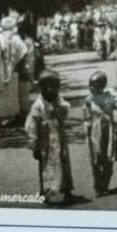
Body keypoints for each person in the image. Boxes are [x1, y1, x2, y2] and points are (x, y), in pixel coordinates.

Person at [25, 70, 74, 204]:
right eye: (46, 86)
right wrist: (34, 144)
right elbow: (32, 126)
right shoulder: (38, 105)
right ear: (40, 88)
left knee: (64, 162)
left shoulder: (59, 101)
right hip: (44, 141)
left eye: (54, 86)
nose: (50, 90)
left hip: (59, 138)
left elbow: (64, 115)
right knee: (44, 164)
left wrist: (59, 108)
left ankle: (67, 189)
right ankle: (44, 190)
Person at [83, 71, 117, 197]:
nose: (91, 87)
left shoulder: (110, 97)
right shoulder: (88, 100)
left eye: (95, 85)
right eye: (90, 84)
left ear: (102, 85)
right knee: (95, 159)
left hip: (107, 131)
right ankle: (97, 184)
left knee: (108, 157)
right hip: (94, 132)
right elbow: (86, 117)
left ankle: (105, 183)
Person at [0, 16, 28, 125]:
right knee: (11, 95)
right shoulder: (16, 39)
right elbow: (23, 51)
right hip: (12, 71)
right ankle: (11, 117)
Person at [17, 20, 37, 119]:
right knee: (22, 93)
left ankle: (24, 113)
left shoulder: (27, 41)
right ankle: (22, 112)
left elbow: (30, 59)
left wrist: (27, 71)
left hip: (23, 70)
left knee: (23, 93)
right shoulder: (25, 41)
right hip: (21, 70)